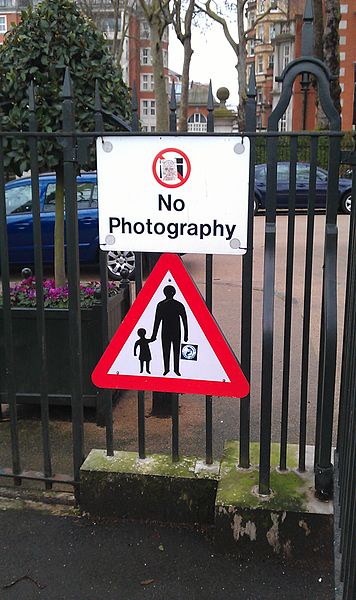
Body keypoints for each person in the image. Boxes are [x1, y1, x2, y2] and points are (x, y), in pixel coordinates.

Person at [151, 285, 188, 376]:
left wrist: (154, 335)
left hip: (168, 331)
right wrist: (186, 334)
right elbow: (157, 320)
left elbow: (157, 321)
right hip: (173, 331)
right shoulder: (177, 304)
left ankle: (170, 369)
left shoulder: (161, 305)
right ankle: (171, 369)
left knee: (168, 350)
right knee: (173, 350)